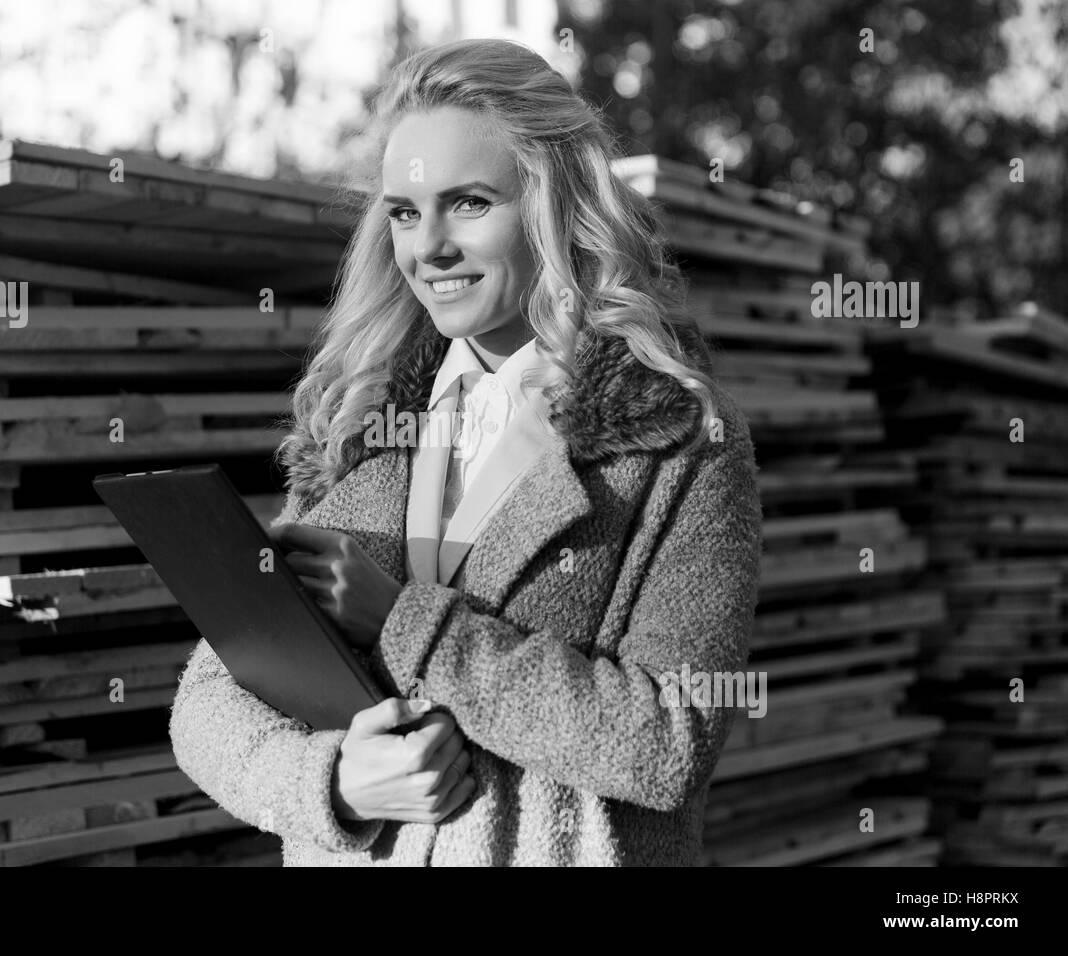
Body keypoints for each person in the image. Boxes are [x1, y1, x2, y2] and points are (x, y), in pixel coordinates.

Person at [169, 37, 763, 866]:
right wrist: (333, 782)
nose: (430, 248)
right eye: (406, 214)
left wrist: (405, 624)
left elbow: (667, 740)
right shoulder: (357, 429)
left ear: (556, 203)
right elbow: (206, 702)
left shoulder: (672, 437)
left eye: (471, 204)